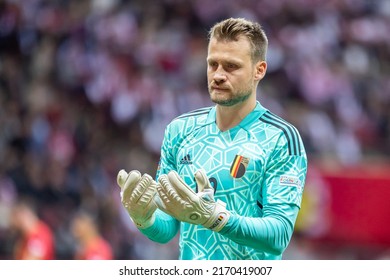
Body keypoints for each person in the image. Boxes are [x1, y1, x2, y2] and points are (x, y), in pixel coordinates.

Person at [117, 17, 308, 260]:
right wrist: (144, 218)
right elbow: (167, 228)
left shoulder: (281, 138)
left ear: (259, 70)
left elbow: (278, 235)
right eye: (212, 64)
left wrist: (215, 218)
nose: (218, 75)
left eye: (231, 66)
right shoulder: (180, 130)